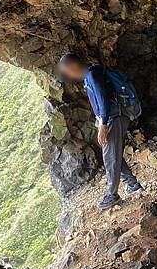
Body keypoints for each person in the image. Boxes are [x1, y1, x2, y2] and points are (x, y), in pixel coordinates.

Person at [58, 53, 143, 209]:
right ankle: (132, 184)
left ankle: (112, 195)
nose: (68, 75)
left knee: (110, 156)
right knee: (112, 152)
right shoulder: (93, 72)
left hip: (113, 117)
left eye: (67, 71)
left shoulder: (92, 75)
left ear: (72, 67)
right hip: (113, 117)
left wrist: (103, 124)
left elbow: (102, 99)